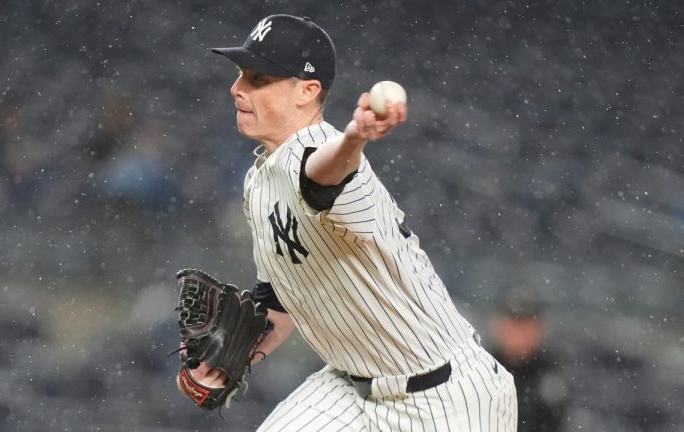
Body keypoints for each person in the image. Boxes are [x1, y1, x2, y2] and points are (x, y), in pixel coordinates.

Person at [183, 14, 517, 431]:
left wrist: (355, 136)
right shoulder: (259, 181)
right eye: (240, 74)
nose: (237, 88)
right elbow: (279, 299)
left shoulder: (326, 152)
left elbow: (320, 176)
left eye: (258, 78)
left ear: (307, 91)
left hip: (445, 397)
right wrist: (227, 358)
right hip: (349, 384)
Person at [489, 287, 568, 432]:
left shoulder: (553, 375)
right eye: (514, 325)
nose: (519, 335)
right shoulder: (481, 368)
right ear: (499, 327)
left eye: (526, 326)